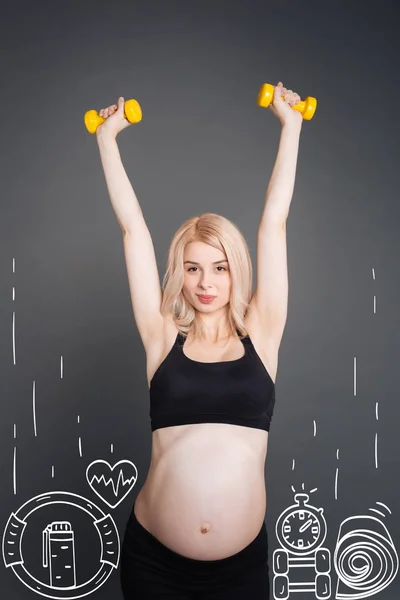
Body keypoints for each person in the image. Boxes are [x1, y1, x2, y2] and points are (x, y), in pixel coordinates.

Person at [95, 81, 303, 599]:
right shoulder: (161, 336)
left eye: (220, 267)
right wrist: (107, 139)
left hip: (241, 570)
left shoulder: (264, 334)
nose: (207, 282)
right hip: (155, 565)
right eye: (193, 268)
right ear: (180, 274)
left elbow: (274, 224)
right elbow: (133, 230)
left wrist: (292, 127)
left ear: (237, 272)